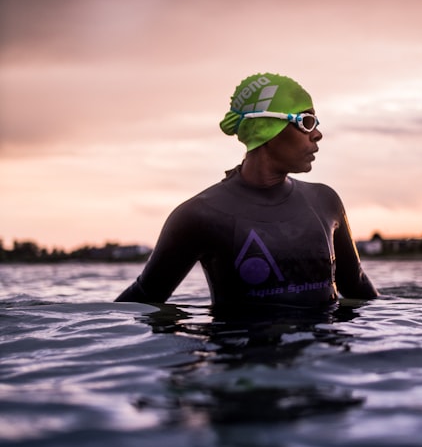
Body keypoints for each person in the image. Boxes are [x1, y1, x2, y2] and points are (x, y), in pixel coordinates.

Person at [115, 72, 378, 309]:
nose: (317, 134)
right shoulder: (198, 216)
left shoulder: (325, 201)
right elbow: (144, 298)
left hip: (326, 361)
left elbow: (356, 287)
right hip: (244, 359)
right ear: (266, 128)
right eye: (307, 121)